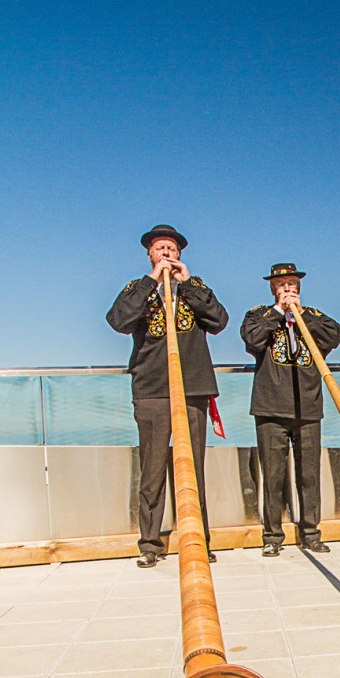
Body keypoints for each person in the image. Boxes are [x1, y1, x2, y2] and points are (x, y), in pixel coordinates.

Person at [106, 224, 228, 568]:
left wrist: (187, 284)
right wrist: (151, 281)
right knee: (153, 468)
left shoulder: (195, 288)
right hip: (152, 390)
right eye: (160, 249)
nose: (166, 255)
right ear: (149, 255)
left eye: (171, 250)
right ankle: (150, 543)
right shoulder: (137, 289)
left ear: (180, 255)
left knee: (192, 468)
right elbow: (118, 321)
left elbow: (219, 321)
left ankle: (197, 539)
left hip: (193, 389)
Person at [241, 263, 340, 557]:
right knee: (273, 476)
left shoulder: (314, 316)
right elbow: (252, 340)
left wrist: (300, 316)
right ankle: (272, 535)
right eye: (283, 284)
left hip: (308, 409)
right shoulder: (258, 315)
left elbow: (334, 337)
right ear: (273, 288)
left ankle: (311, 532)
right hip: (270, 408)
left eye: (293, 284)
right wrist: (277, 313)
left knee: (309, 475)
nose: (289, 289)